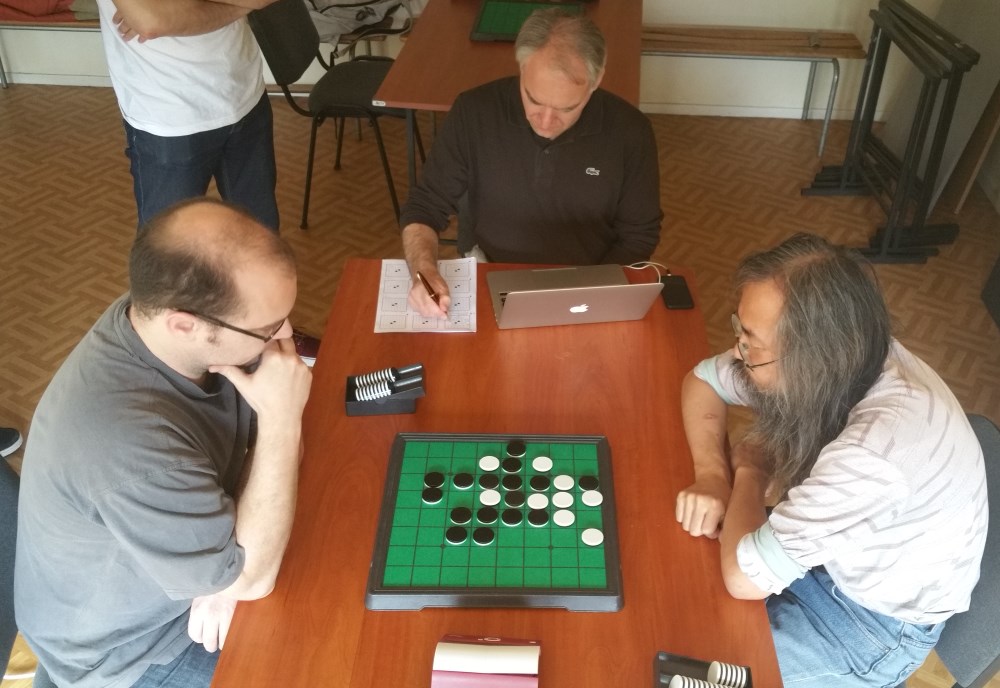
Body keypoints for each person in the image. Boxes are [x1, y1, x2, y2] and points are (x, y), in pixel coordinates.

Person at [14, 198, 312, 688]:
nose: (287, 337)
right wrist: (281, 421)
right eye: (267, 328)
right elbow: (252, 578)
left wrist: (224, 572)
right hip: (129, 652)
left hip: (186, 577)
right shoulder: (130, 444)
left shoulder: (158, 317)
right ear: (184, 324)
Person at [675, 234, 987, 688]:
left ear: (811, 358)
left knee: (687, 668)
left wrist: (750, 472)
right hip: (832, 557)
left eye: (751, 342)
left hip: (872, 626)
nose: (739, 350)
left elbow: (744, 579)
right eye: (740, 329)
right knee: (675, 590)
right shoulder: (848, 352)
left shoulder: (877, 452)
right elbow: (703, 381)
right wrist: (711, 475)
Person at [401, 8, 663, 318]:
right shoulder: (474, 112)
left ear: (597, 80)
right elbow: (425, 205)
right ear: (522, 68)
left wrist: (587, 292)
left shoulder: (631, 132)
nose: (546, 122)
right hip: (490, 268)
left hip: (590, 277)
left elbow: (639, 234)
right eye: (534, 100)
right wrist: (424, 270)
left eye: (567, 108)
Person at [96, 0, 280, 231]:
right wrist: (246, 5)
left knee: (261, 235)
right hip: (169, 119)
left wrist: (175, 8)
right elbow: (151, 22)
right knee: (169, 246)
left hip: (245, 94)